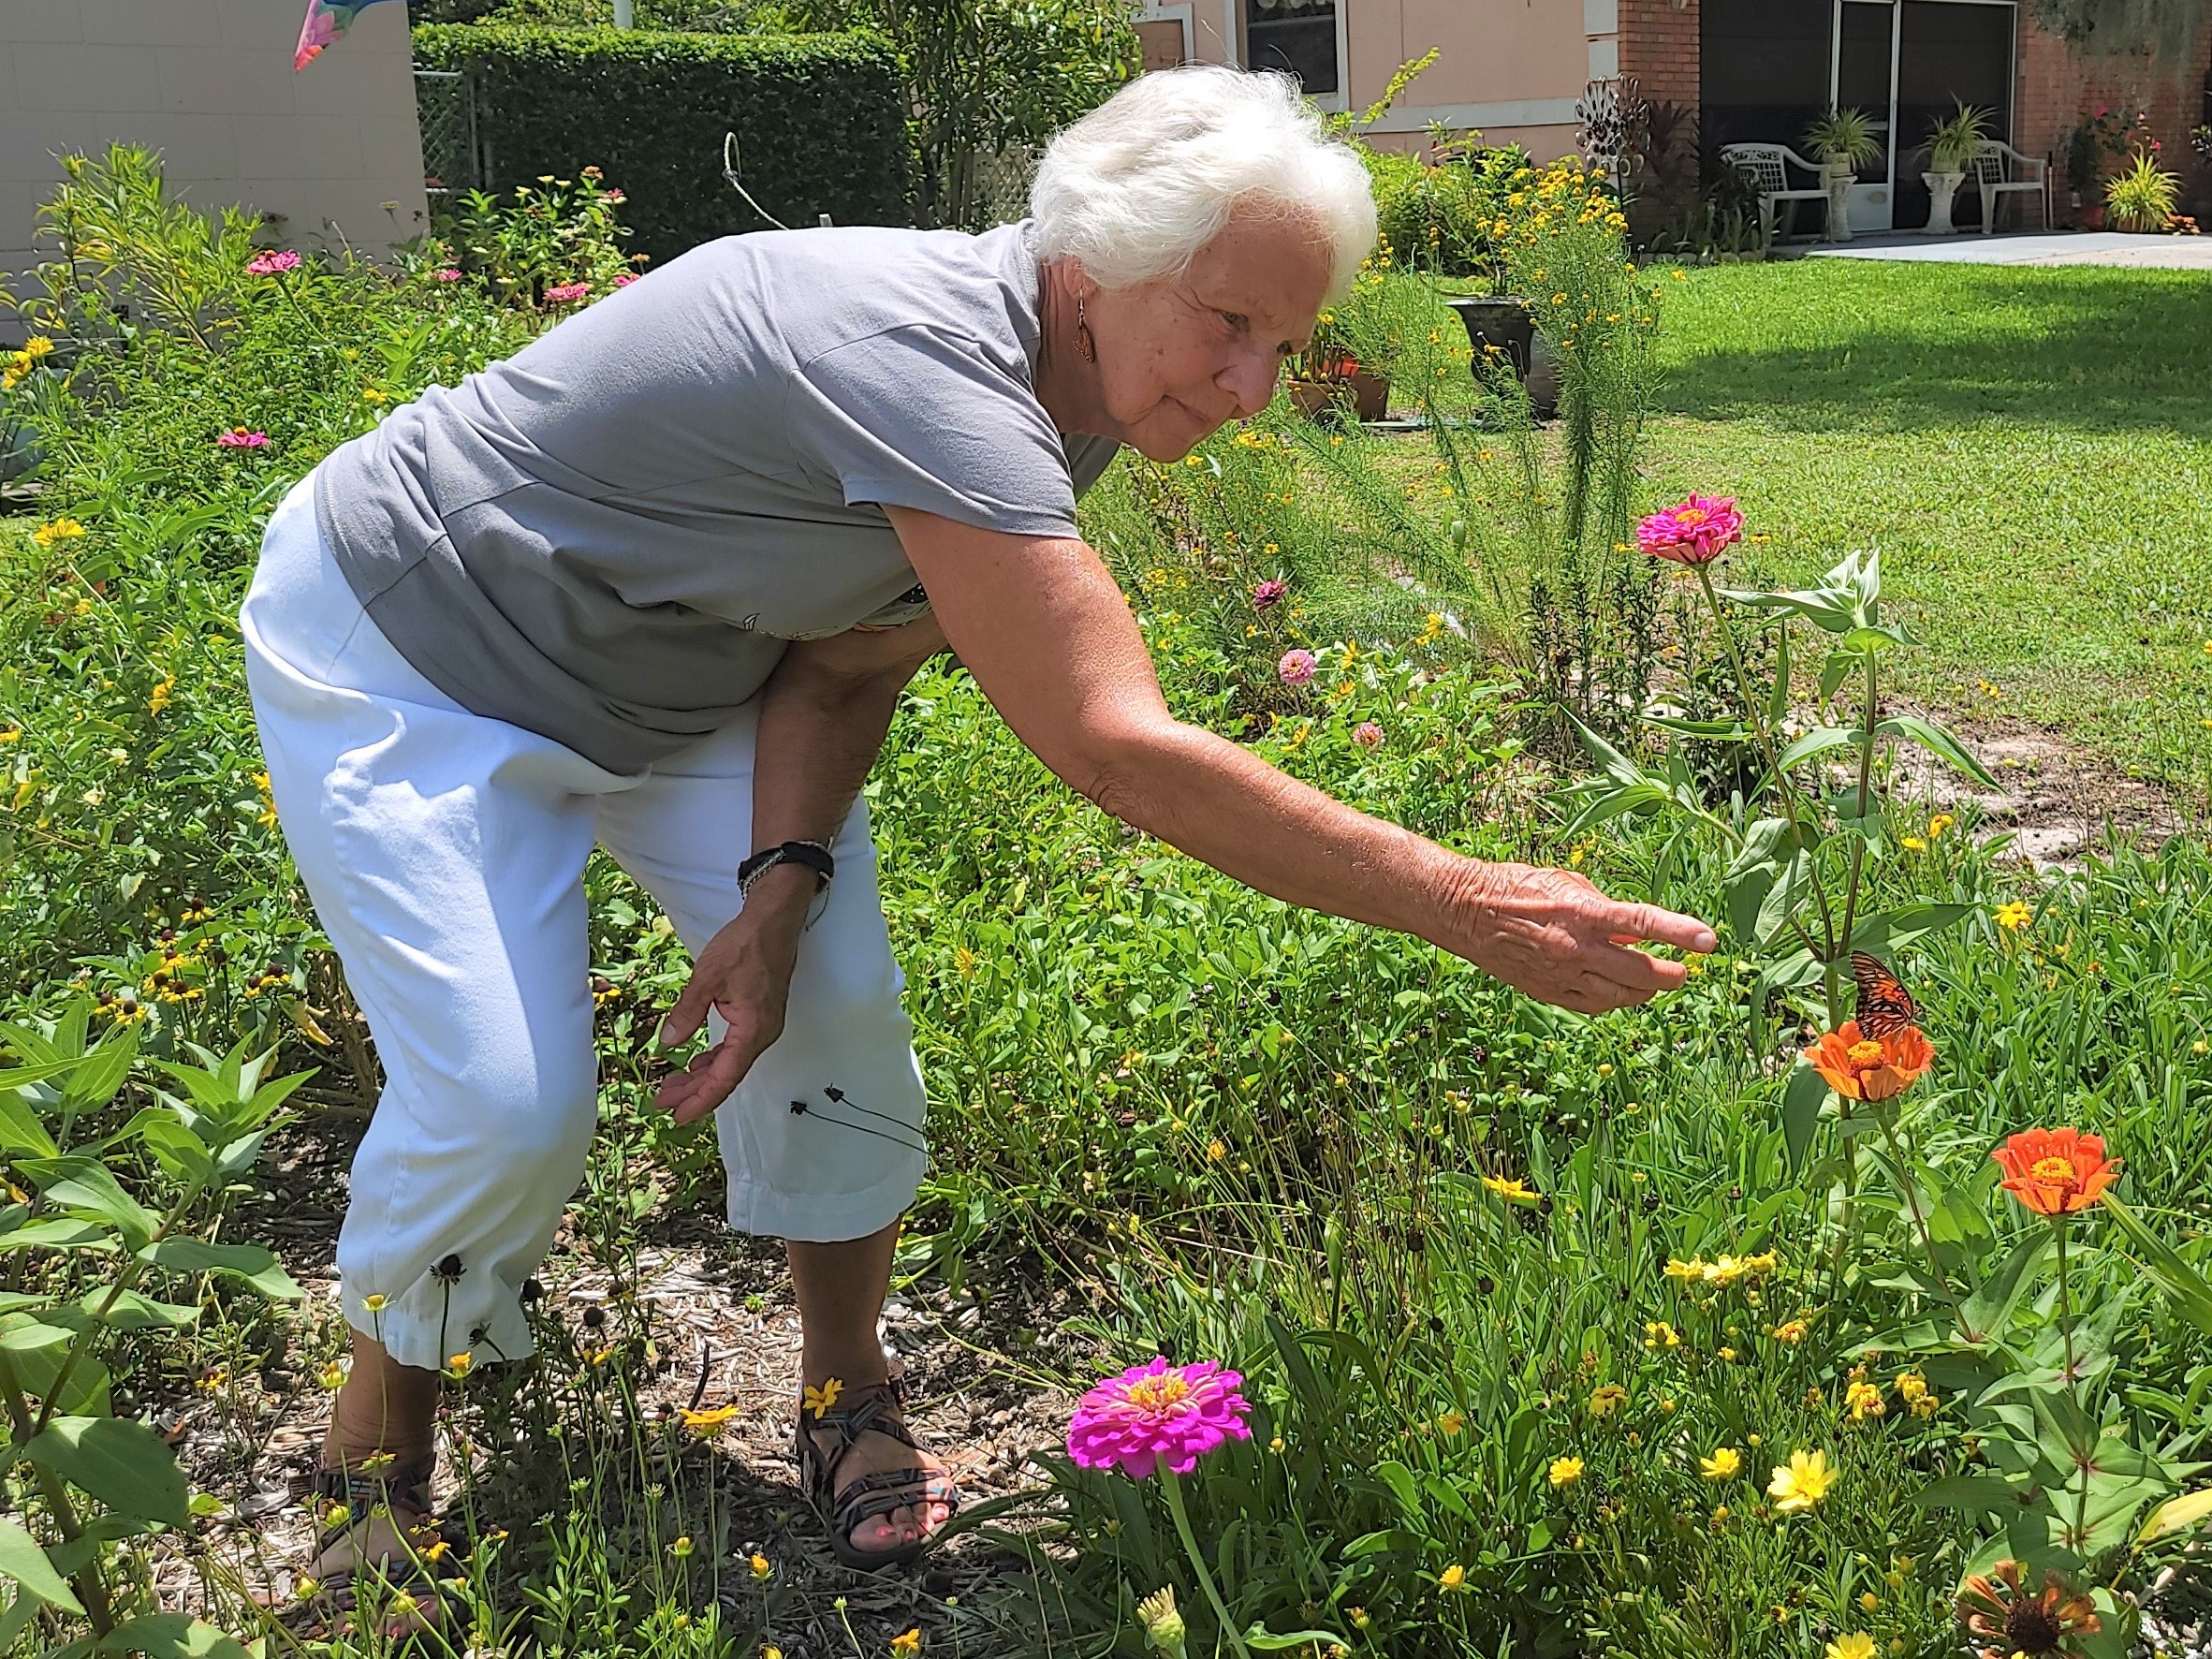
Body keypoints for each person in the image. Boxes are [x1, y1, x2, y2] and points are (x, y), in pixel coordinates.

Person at [239, 64, 1715, 1628]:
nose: (1257, 387)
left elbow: (846, 659)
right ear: (1100, 257)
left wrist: (779, 887)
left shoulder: (1073, 394)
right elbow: (1114, 741)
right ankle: (378, 1434)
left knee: (842, 1009)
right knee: (498, 1098)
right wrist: (1472, 899)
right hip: (418, 651)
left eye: (1287, 343)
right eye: (1230, 324)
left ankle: (843, 1384)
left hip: (677, 681)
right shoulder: (921, 356)